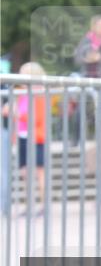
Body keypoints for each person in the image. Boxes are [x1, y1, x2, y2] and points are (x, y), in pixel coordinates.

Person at [1, 63, 48, 210]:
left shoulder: (40, 92)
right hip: (23, 136)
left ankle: (43, 205)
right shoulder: (22, 93)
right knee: (25, 172)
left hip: (36, 136)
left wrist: (17, 114)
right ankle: (29, 205)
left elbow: (36, 118)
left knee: (40, 171)